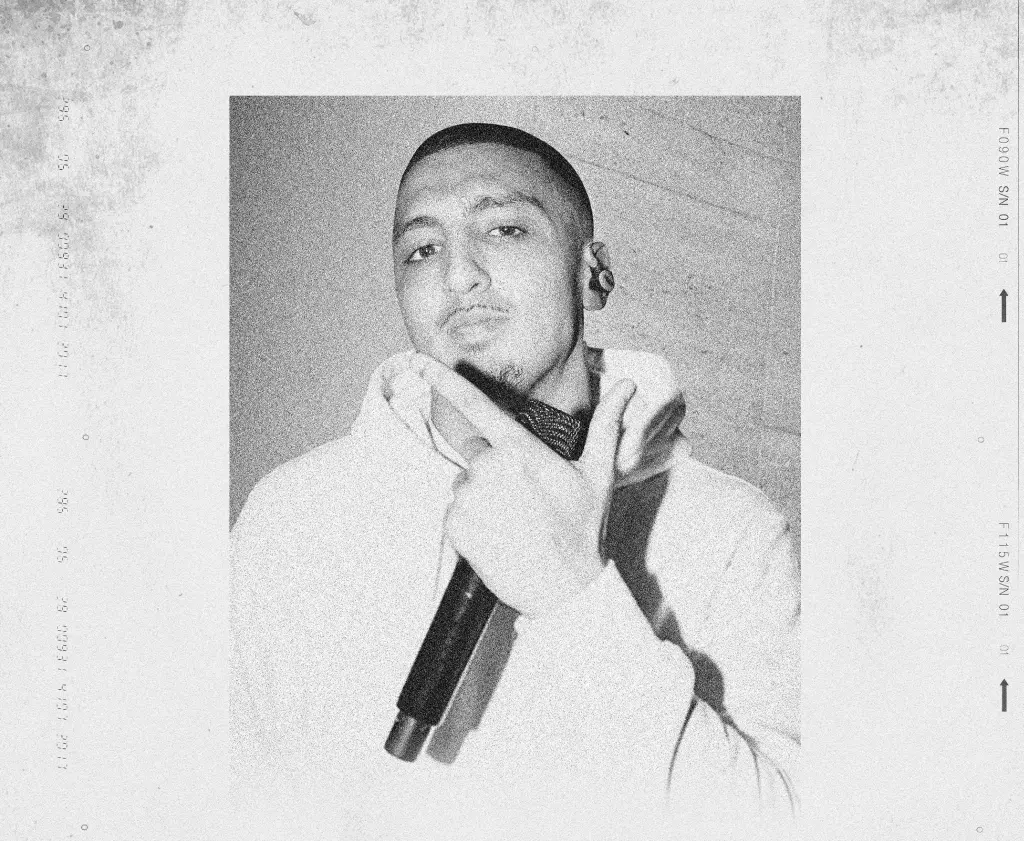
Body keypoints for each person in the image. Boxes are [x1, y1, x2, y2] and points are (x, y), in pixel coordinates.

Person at [230, 123, 800, 840]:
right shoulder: (292, 514)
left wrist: (576, 599)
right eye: (422, 249)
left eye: (503, 229)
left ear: (593, 273)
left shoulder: (731, 529)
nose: (458, 275)